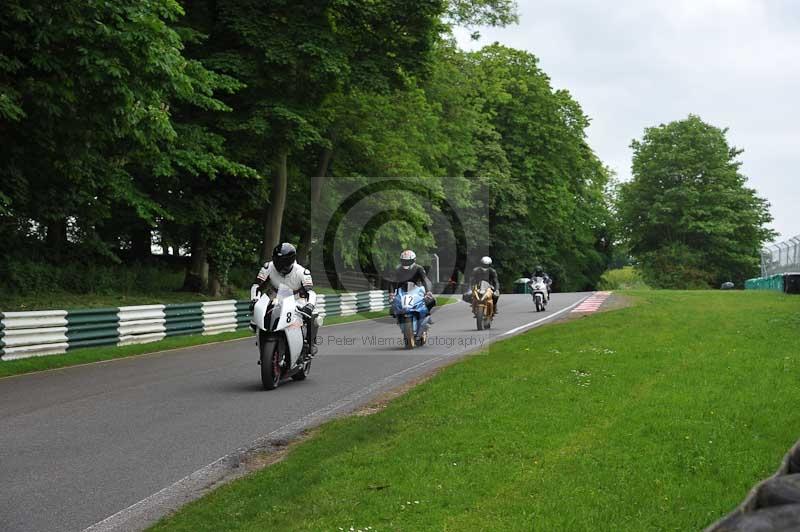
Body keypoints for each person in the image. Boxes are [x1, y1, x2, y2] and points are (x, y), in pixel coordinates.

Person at [250, 243, 319, 356]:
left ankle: (310, 346)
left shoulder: (302, 272)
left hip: (296, 299)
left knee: (311, 317)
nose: (280, 266)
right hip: (275, 297)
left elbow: (310, 292)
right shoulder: (268, 267)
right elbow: (256, 286)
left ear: (291, 261)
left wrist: (309, 306)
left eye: (283, 262)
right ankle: (263, 337)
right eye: (277, 261)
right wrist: (254, 299)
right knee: (255, 320)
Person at [390, 249, 436, 315]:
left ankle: (427, 313)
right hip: (402, 291)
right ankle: (399, 316)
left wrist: (428, 291)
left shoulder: (419, 268)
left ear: (414, 260)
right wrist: (391, 293)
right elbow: (392, 281)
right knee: (392, 308)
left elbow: (425, 279)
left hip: (417, 289)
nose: (406, 263)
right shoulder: (398, 269)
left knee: (431, 300)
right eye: (404, 261)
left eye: (408, 261)